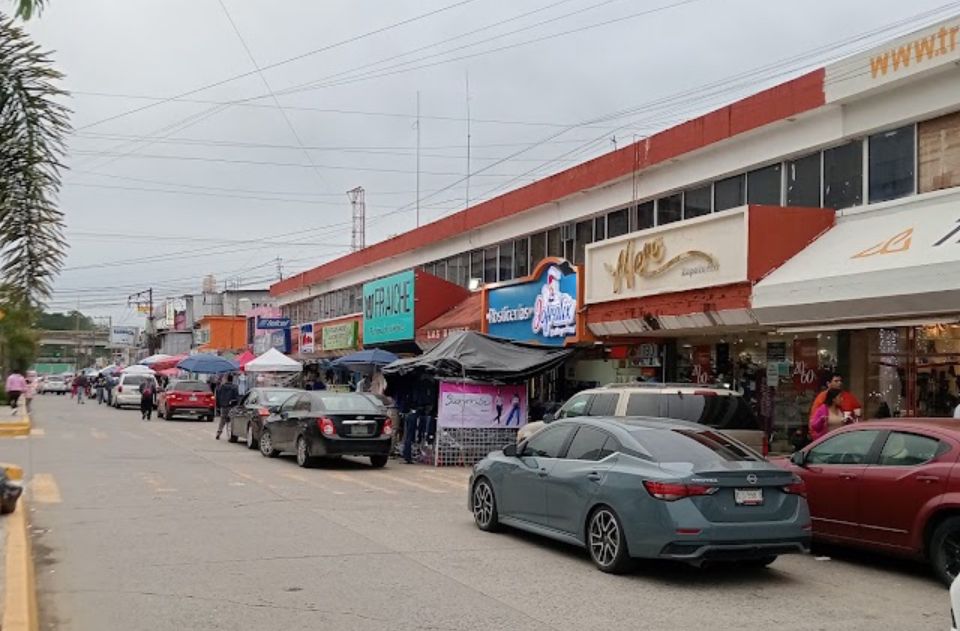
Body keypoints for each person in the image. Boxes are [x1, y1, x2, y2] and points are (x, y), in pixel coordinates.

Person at [215, 374, 240, 440]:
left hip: (223, 406)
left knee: (222, 420)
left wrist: (218, 406)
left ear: (226, 379)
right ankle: (231, 434)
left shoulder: (221, 387)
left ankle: (218, 433)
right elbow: (237, 397)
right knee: (231, 421)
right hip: (232, 406)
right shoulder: (235, 387)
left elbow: (217, 397)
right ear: (232, 379)